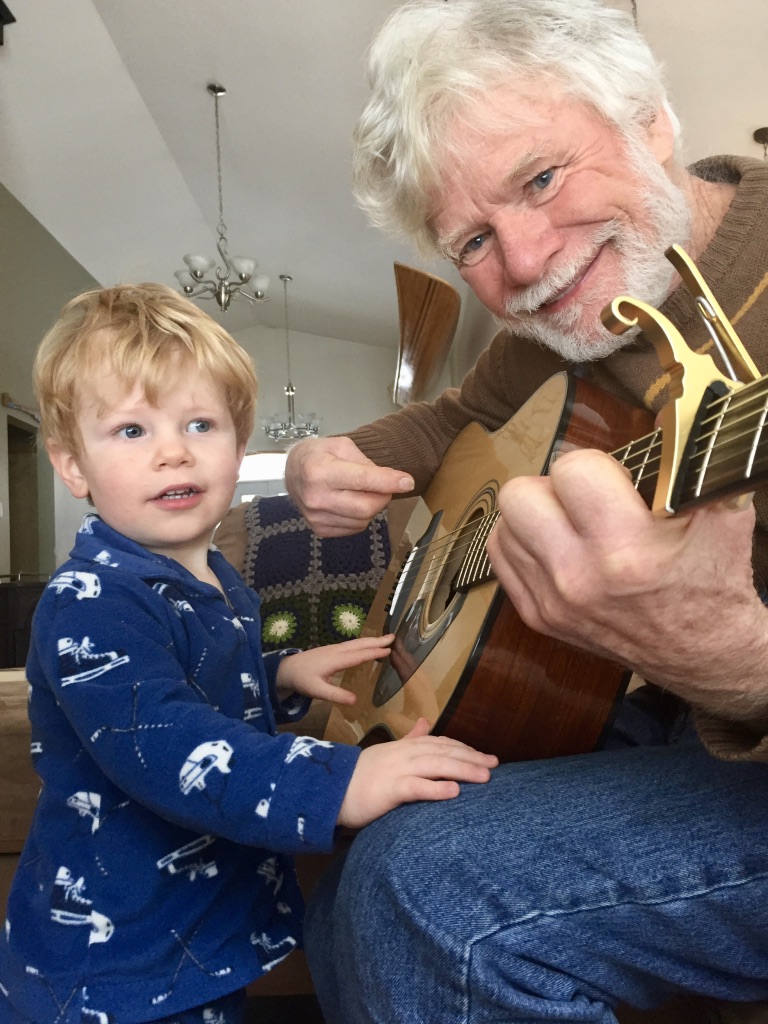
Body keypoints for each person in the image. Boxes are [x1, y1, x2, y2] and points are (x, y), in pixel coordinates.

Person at [286, 0, 768, 1019]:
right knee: (345, 843)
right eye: (471, 239)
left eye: (541, 179)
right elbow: (451, 421)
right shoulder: (542, 345)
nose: (524, 263)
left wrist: (729, 654)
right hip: (660, 716)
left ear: (650, 120)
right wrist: (321, 462)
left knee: (423, 889)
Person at [0, 284, 497, 1024]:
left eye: (200, 424)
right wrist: (342, 779)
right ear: (73, 466)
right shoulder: (90, 601)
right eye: (131, 430)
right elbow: (166, 740)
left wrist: (280, 673)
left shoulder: (212, 576)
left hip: (195, 938)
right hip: (113, 968)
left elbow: (187, 677)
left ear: (239, 447)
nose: (173, 451)